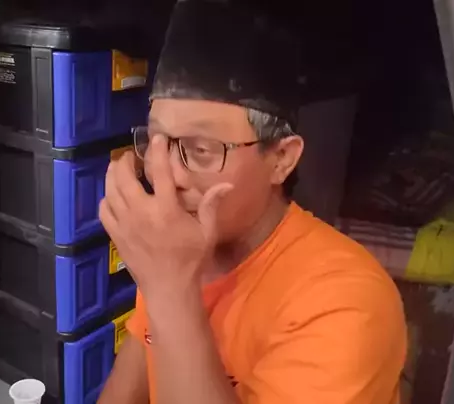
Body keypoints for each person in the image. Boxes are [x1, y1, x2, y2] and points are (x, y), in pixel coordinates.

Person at [96, 1, 407, 403]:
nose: (167, 175)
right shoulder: (175, 249)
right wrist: (163, 284)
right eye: (157, 142)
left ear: (281, 160)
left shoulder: (346, 302)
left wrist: (171, 290)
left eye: (201, 149)